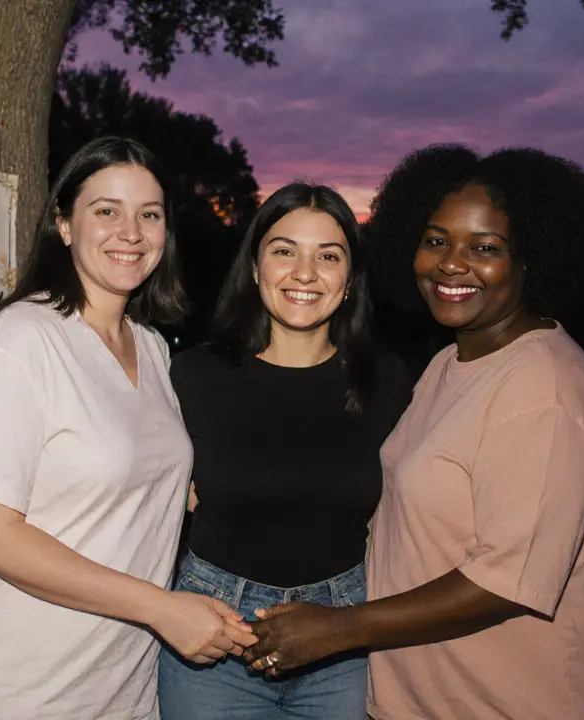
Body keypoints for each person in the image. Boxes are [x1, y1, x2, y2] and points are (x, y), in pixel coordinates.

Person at [244, 146, 584, 720]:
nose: (452, 263)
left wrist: (340, 627)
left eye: (485, 248)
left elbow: (506, 581)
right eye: (435, 240)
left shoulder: (544, 389)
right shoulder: (452, 363)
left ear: (533, 260)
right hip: (431, 696)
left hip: (519, 700)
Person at [0, 136, 256, 720]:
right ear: (65, 225)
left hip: (118, 680)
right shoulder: (21, 342)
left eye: (149, 215)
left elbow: (156, 485)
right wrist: (161, 607)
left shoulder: (150, 348)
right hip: (13, 684)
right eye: (107, 211)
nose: (132, 232)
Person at [157, 183, 410, 719]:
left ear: (349, 279)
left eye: (328, 256)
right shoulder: (193, 376)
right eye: (284, 250)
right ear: (254, 267)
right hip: (214, 634)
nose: (304, 273)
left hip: (343, 635)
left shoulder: (385, 381)